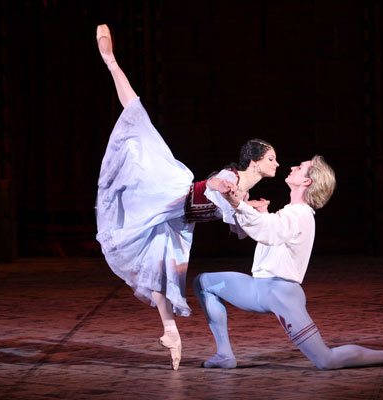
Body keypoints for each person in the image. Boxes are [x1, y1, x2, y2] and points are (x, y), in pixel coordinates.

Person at [94, 24, 278, 370]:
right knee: (139, 125)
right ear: (254, 161)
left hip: (180, 220)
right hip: (171, 194)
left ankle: (169, 331)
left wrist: (247, 209)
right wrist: (226, 193)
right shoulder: (232, 177)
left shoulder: (245, 188)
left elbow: (234, 221)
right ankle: (111, 62)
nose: (276, 164)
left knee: (161, 272)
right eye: (271, 159)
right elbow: (214, 187)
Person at [193, 155, 383, 369]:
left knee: (326, 360)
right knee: (203, 283)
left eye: (301, 167)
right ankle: (224, 355)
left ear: (306, 182)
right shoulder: (289, 212)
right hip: (259, 288)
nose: (293, 167)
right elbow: (270, 233)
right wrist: (256, 212)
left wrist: (241, 206)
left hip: (281, 293)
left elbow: (270, 231)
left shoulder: (300, 214)